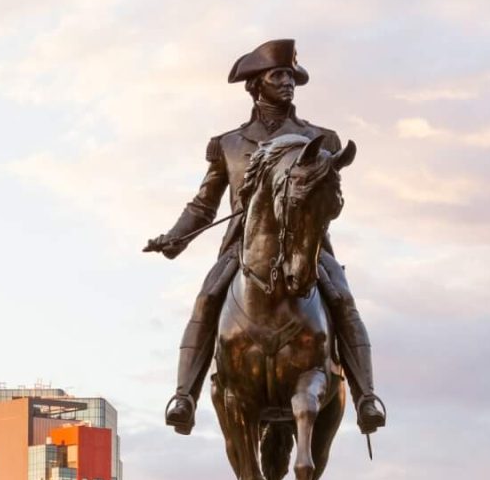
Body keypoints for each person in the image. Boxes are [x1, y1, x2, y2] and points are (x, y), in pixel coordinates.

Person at [144, 38, 385, 436]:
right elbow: (204, 205)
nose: (288, 82)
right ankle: (184, 396)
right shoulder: (228, 144)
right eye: (278, 75)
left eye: (291, 76)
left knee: (343, 300)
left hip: (306, 246)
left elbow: (329, 199)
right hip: (244, 247)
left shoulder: (320, 139)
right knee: (207, 298)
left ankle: (366, 397)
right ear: (256, 85)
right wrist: (176, 237)